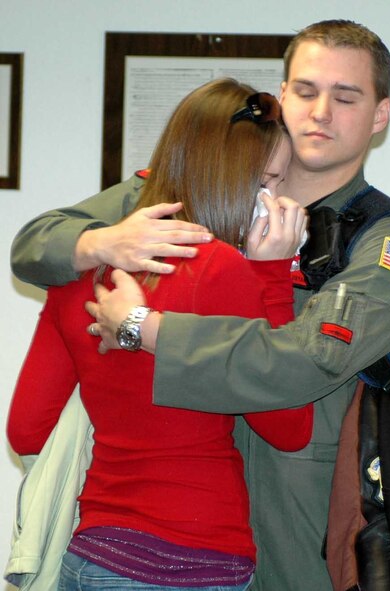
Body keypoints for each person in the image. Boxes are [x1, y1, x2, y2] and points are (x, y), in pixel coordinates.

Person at [10, 20, 390, 591]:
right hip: (179, 535)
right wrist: (100, 242)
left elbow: (304, 360)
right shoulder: (193, 192)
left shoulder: (388, 248)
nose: (320, 113)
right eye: (307, 91)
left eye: (346, 97)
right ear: (283, 96)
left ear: (380, 116)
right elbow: (39, 241)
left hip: (299, 535)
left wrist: (148, 326)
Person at [7, 78, 313, 591]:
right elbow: (288, 426)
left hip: (93, 555)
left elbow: (26, 431)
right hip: (197, 559)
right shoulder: (225, 272)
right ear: (228, 178)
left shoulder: (78, 274)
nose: (276, 199)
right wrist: (273, 276)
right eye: (268, 181)